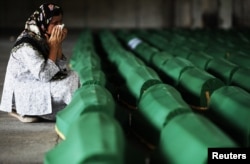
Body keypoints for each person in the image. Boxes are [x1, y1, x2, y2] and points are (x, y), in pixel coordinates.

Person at [0, 3, 79, 122]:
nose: (60, 27)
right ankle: (20, 109)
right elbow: (45, 75)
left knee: (74, 75)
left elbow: (59, 68)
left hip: (36, 81)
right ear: (44, 23)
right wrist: (54, 47)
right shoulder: (27, 45)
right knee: (65, 87)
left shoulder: (42, 36)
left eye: (60, 22)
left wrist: (58, 44)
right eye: (55, 23)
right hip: (24, 89)